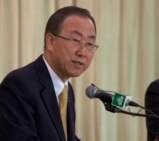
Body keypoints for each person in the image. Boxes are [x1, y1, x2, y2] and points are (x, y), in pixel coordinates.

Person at [0, 6, 98, 141]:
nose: (83, 52)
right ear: (50, 42)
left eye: (90, 44)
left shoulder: (66, 90)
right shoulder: (18, 85)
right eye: (75, 40)